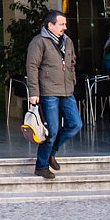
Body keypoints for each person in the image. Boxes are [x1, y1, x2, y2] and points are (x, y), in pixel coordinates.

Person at [26, 10, 80, 180]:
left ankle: (51, 152)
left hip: (67, 91)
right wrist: (34, 92)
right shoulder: (39, 42)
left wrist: (72, 81)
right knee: (52, 131)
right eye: (61, 24)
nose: (65, 27)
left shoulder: (67, 41)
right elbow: (32, 67)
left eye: (65, 24)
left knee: (75, 124)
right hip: (48, 92)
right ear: (50, 25)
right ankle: (41, 166)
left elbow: (71, 64)